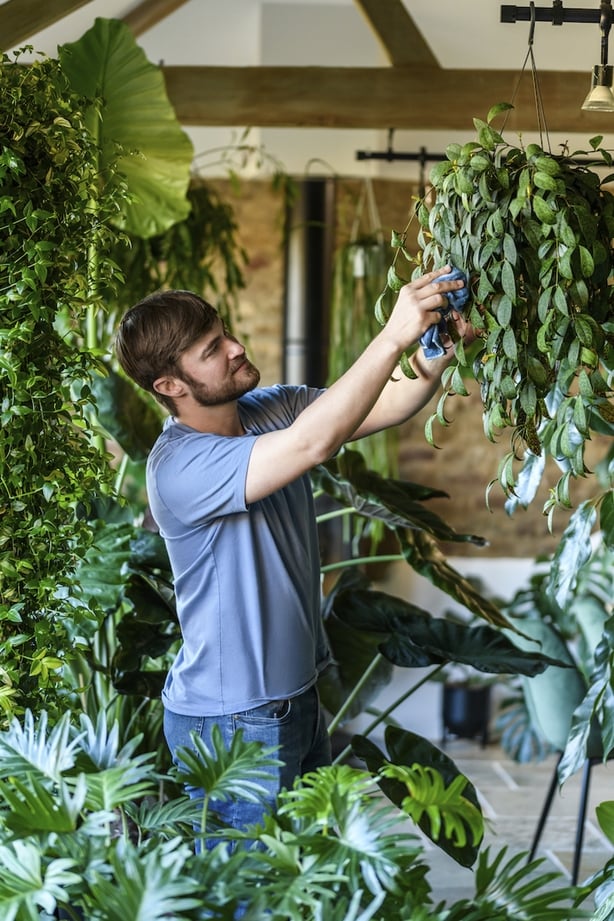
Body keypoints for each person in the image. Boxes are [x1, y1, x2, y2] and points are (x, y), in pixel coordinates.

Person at [114, 265, 470, 843]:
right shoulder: (179, 467)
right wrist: (392, 334)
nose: (235, 347)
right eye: (212, 349)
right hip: (232, 723)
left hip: (292, 700)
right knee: (251, 898)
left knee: (300, 881)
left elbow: (388, 403)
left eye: (224, 332)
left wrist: (440, 342)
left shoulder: (269, 409)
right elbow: (315, 442)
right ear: (170, 386)